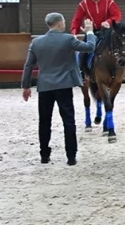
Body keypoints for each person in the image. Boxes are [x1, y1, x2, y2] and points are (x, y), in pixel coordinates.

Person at [21, 14, 96, 165]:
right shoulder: (68, 39)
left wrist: (26, 86)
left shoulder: (36, 42)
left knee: (44, 121)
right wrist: (89, 32)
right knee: (68, 121)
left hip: (45, 86)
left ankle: (44, 155)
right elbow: (89, 48)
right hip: (64, 85)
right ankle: (71, 156)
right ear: (60, 23)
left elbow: (28, 65)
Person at [70, 0, 122, 75]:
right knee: (83, 53)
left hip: (107, 30)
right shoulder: (83, 4)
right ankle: (82, 73)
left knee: (120, 46)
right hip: (91, 31)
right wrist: (74, 33)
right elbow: (76, 20)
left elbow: (117, 15)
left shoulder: (108, 0)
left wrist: (108, 22)